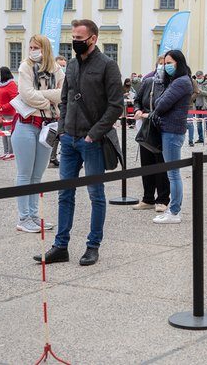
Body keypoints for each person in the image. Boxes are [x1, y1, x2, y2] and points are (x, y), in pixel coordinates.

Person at [34, 19, 123, 266]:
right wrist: (62, 131)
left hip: (92, 140)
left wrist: (93, 134)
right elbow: (65, 100)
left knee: (96, 195)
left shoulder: (108, 65)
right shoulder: (71, 65)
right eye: (73, 37)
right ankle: (61, 246)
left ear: (93, 38)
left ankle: (93, 246)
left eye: (79, 38)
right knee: (65, 194)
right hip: (69, 139)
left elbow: (116, 106)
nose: (74, 41)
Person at [11, 34, 63, 233]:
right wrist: (49, 101)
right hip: (26, 124)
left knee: (37, 175)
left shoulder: (56, 69)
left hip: (46, 126)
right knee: (25, 174)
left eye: (36, 47)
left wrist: (40, 97)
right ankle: (23, 217)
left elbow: (62, 93)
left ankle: (33, 215)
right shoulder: (25, 67)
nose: (32, 50)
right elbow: (25, 94)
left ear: (45, 48)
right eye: (30, 46)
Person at [151, 50, 193, 224]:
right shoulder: (177, 81)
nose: (166, 66)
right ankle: (173, 210)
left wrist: (158, 104)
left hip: (172, 131)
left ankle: (174, 211)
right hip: (170, 130)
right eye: (164, 63)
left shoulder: (181, 82)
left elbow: (160, 104)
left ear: (178, 63)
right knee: (172, 173)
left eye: (169, 62)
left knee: (173, 174)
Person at [132, 57, 170, 212]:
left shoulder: (172, 84)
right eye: (160, 64)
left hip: (162, 128)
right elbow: (137, 100)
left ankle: (162, 199)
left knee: (162, 164)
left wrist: (153, 114)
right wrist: (138, 110)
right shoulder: (148, 82)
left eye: (165, 64)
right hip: (146, 128)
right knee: (146, 163)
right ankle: (148, 198)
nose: (162, 67)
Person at [0, 66, 18, 161]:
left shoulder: (11, 84)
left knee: (9, 134)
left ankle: (11, 152)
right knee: (3, 134)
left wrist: (3, 107)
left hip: (8, 113)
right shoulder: (1, 84)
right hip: (0, 113)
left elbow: (14, 100)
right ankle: (5, 152)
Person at [49, 56, 68, 168]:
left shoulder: (66, 78)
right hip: (52, 110)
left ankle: (53, 158)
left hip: (62, 110)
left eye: (63, 66)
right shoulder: (51, 77)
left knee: (59, 135)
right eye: (60, 65)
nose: (62, 68)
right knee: (53, 135)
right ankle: (51, 158)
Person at [194, 71, 207, 144]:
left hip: (206, 106)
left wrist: (200, 91)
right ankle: (201, 139)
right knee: (199, 124)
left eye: (200, 77)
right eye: (197, 77)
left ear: (203, 76)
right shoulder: (195, 83)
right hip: (197, 106)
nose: (198, 79)